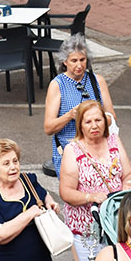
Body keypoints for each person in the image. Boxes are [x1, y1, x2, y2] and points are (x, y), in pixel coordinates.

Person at [59, 99, 131, 261]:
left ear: (105, 121)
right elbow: (66, 192)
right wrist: (90, 196)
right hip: (88, 230)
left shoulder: (114, 141)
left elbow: (129, 174)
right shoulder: (72, 150)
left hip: (117, 224)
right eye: (88, 122)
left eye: (98, 120)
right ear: (80, 126)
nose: (94, 126)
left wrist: (129, 185)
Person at [43, 33, 117, 174]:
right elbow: (48, 128)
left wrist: (95, 118)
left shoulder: (97, 81)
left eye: (82, 60)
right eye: (74, 60)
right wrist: (69, 116)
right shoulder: (57, 85)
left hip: (97, 147)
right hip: (70, 150)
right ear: (65, 62)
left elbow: (111, 117)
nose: (79, 65)